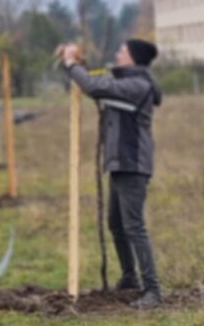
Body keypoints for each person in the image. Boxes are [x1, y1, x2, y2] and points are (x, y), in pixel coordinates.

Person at [57, 38, 164, 309]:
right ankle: (129, 278)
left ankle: (152, 290)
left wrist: (71, 63)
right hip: (119, 163)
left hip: (132, 164)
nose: (117, 53)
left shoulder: (137, 86)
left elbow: (95, 87)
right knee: (116, 224)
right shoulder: (125, 81)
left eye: (122, 51)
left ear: (133, 58)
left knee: (134, 226)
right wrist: (75, 65)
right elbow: (97, 83)